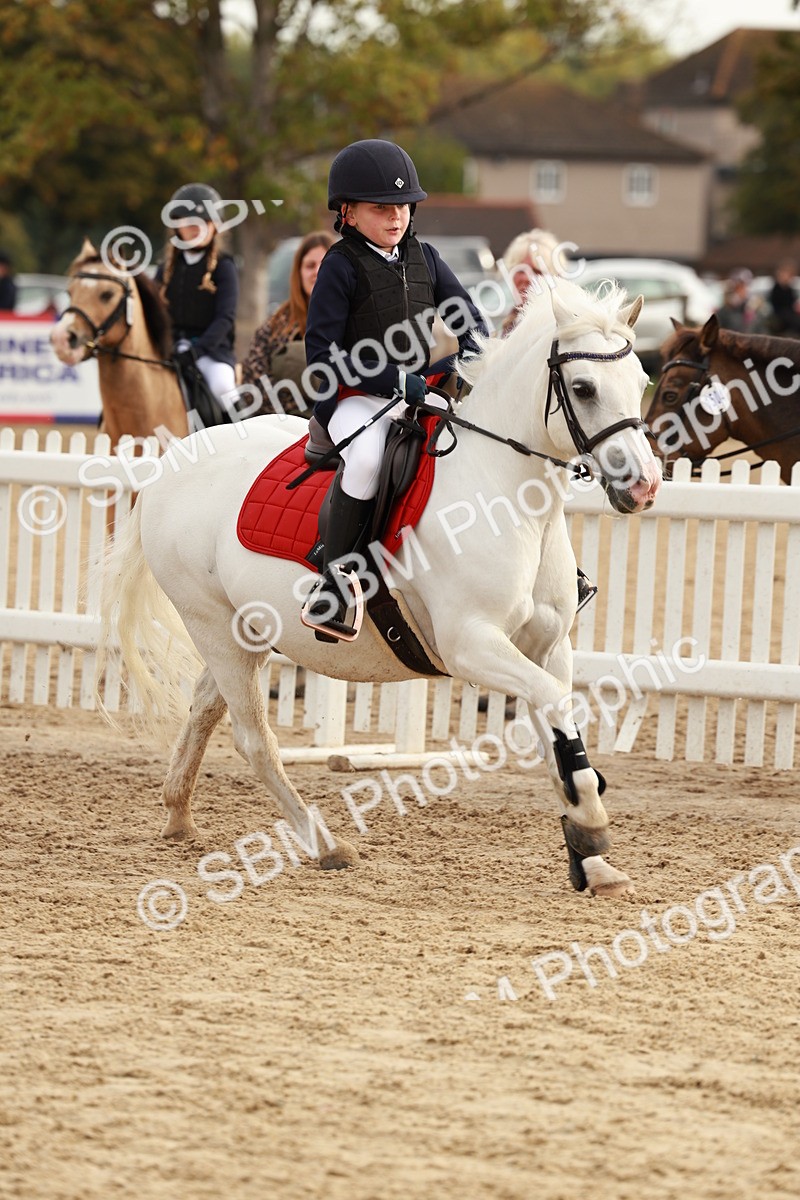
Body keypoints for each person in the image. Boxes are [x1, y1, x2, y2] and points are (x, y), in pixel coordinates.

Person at [302, 138, 488, 642]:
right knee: (366, 460)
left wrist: (472, 360)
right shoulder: (340, 265)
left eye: (403, 206)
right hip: (353, 398)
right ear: (348, 212)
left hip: (416, 391)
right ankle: (334, 583)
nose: (396, 217)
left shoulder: (425, 257)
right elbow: (321, 355)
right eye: (381, 208)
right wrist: (395, 382)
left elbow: (468, 319)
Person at [157, 183, 239, 408]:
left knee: (223, 387)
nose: (197, 228)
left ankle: (242, 427)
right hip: (169, 349)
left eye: (204, 222)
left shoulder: (224, 267)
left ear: (215, 226)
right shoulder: (165, 269)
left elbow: (225, 318)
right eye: (189, 222)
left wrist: (196, 352)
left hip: (211, 352)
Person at [241, 230, 335, 417]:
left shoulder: (356, 321)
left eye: (325, 264)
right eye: (310, 265)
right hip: (280, 423)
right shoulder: (274, 327)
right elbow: (253, 385)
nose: (317, 271)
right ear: (298, 273)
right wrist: (295, 412)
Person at [500, 228, 562, 337]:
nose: (526, 278)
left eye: (537, 271)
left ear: (556, 277)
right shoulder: (510, 321)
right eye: (520, 270)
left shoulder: (561, 324)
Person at [767, 261, 800, 336]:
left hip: (789, 314)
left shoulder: (789, 289)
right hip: (780, 315)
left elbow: (792, 302)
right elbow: (776, 304)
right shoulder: (776, 288)